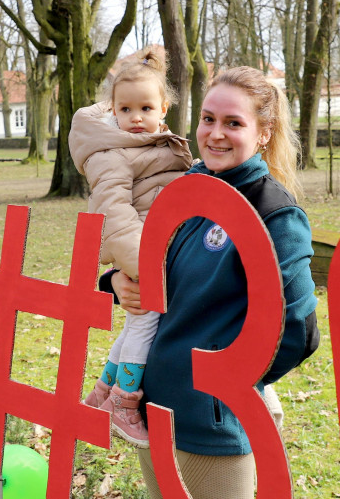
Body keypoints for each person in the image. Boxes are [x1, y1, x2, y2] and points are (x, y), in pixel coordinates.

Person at [104, 66, 320, 499]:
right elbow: (150, 267)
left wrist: (231, 390)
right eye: (208, 119)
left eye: (233, 123)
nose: (215, 134)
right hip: (153, 412)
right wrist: (113, 283)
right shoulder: (184, 189)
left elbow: (299, 330)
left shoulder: (274, 213)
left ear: (263, 132)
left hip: (211, 426)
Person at [69, 47, 193, 447]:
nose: (135, 118)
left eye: (145, 107)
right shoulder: (113, 153)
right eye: (124, 109)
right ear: (113, 111)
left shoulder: (157, 144)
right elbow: (115, 214)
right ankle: (124, 403)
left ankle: (103, 391)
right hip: (144, 257)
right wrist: (144, 266)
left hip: (156, 250)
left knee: (134, 325)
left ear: (164, 109)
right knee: (144, 320)